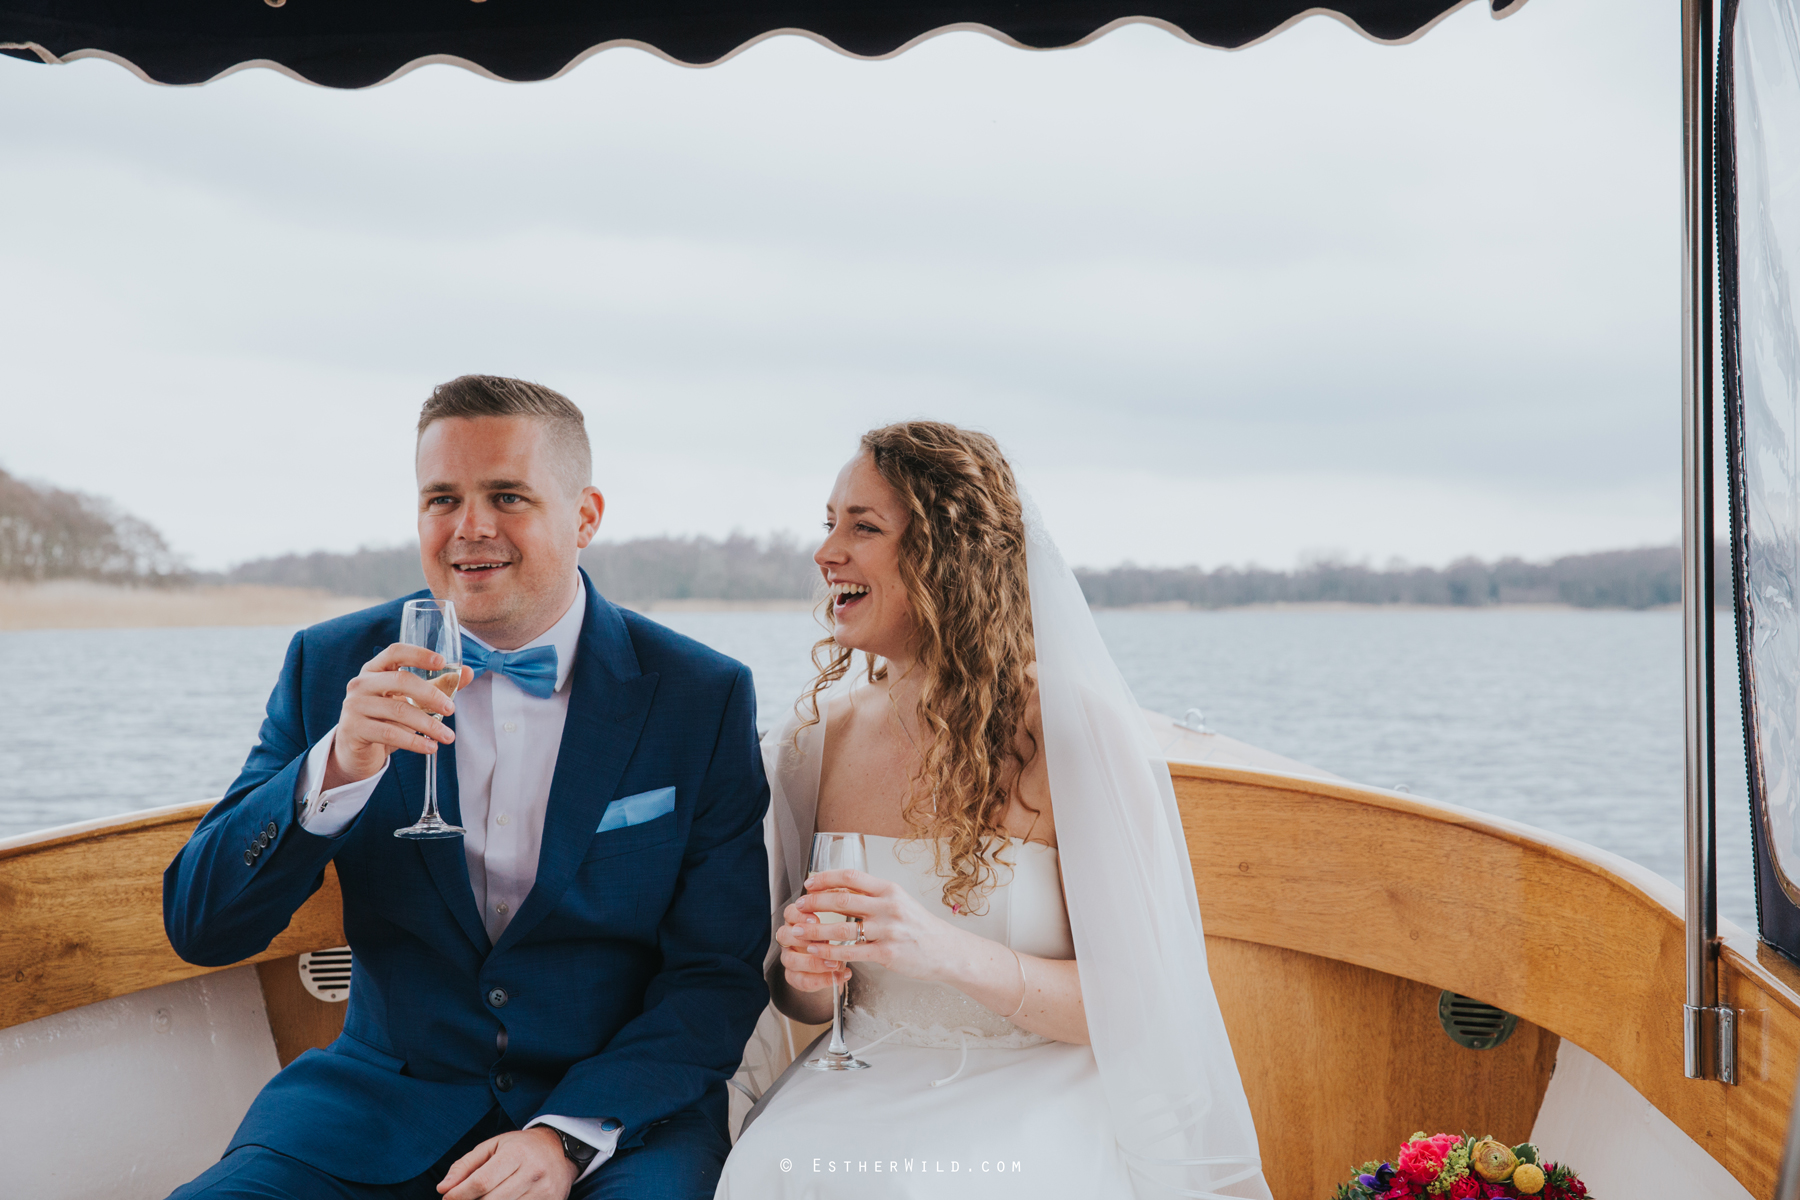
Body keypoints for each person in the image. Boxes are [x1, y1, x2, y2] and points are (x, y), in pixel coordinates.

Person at [161, 376, 771, 1200]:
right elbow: (201, 926)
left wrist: (566, 1136)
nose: (469, 527)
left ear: (586, 515)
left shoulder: (701, 695)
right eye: (441, 498)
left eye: (507, 496)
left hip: (613, 1127)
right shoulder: (331, 665)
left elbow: (714, 977)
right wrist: (337, 765)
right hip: (374, 1111)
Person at [718, 422, 1271, 1199]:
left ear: (949, 554)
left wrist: (941, 950)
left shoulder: (1067, 733)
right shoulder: (815, 742)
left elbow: (1141, 1011)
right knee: (768, 1169)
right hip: (864, 1077)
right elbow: (797, 997)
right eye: (830, 522)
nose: (827, 551)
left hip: (1041, 1077)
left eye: (863, 526)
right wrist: (810, 973)